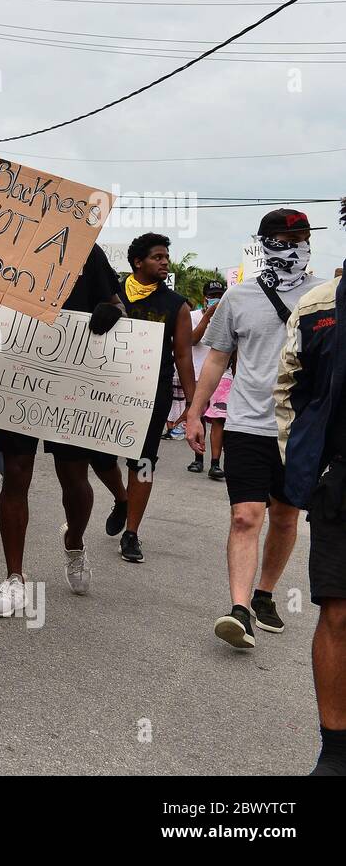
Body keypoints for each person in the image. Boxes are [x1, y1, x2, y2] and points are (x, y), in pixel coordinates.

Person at [187, 208, 322, 648]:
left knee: (285, 517)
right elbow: (217, 358)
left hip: (300, 430)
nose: (294, 246)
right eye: (284, 239)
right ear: (265, 245)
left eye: (300, 237)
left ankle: (265, 593)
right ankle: (239, 609)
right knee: (246, 516)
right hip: (246, 422)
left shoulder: (325, 296)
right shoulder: (239, 298)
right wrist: (195, 411)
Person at [0, 241, 126, 615]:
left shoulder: (87, 253)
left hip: (72, 378)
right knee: (14, 475)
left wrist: (111, 311)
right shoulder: (6, 247)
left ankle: (74, 541)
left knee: (74, 478)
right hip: (16, 372)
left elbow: (115, 302)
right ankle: (14, 579)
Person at [273, 250, 346, 775]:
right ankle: (335, 749)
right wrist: (306, 468)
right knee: (339, 612)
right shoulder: (320, 307)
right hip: (340, 481)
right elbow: (290, 391)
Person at [110, 233, 195, 563]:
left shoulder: (177, 305)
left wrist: (192, 404)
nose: (165, 262)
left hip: (152, 396)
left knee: (143, 462)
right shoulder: (110, 294)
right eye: (157, 257)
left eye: (166, 257)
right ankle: (121, 498)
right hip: (107, 392)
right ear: (137, 262)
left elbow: (184, 356)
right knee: (101, 458)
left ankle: (131, 533)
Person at [188, 279, 232, 480]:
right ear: (204, 298)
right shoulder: (193, 316)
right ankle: (198, 458)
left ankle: (215, 463)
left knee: (218, 419)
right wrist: (207, 317)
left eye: (220, 296)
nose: (216, 300)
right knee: (199, 417)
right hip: (198, 375)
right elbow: (192, 340)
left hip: (223, 376)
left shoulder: (229, 316)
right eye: (212, 296)